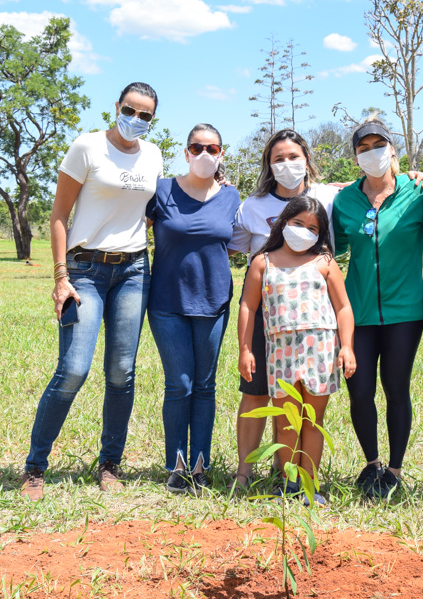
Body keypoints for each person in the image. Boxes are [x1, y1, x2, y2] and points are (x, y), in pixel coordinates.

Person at [20, 82, 162, 501]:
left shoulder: (153, 155)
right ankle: (34, 467)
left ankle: (110, 464)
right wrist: (60, 275)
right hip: (85, 270)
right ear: (116, 106)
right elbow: (59, 215)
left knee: (122, 371)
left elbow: (151, 211)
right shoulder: (86, 147)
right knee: (74, 368)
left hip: (135, 269)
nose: (136, 119)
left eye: (145, 115)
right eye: (130, 110)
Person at [227, 129, 341, 491]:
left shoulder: (328, 196)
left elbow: (374, 185)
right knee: (258, 391)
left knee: (301, 401)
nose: (287, 164)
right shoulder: (253, 206)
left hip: (311, 318)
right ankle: (244, 472)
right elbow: (233, 246)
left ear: (307, 158)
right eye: (278, 158)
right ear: (268, 164)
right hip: (268, 311)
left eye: (294, 156)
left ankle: (289, 475)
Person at [331, 118, 423, 499]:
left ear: (393, 149)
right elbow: (329, 247)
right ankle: (371, 464)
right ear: (356, 157)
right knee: (359, 392)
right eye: (363, 147)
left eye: (379, 144)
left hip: (404, 312)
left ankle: (395, 469)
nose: (372, 152)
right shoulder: (345, 200)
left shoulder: (419, 192)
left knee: (396, 388)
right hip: (357, 314)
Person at [237, 196, 356, 503]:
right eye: (298, 223)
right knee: (287, 422)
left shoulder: (325, 263)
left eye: (312, 227)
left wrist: (347, 348)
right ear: (284, 222)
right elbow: (248, 306)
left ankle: (310, 486)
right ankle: (289, 485)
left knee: (313, 422)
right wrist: (245, 349)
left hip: (321, 351)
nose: (304, 231)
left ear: (321, 233)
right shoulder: (263, 262)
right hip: (280, 352)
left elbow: (343, 307)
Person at [146, 124, 240, 495]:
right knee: (179, 384)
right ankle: (176, 465)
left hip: (214, 302)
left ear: (221, 154)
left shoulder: (231, 196)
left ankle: (200, 465)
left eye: (211, 148)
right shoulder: (162, 189)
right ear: (185, 153)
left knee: (205, 386)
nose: (204, 154)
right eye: (196, 147)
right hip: (167, 302)